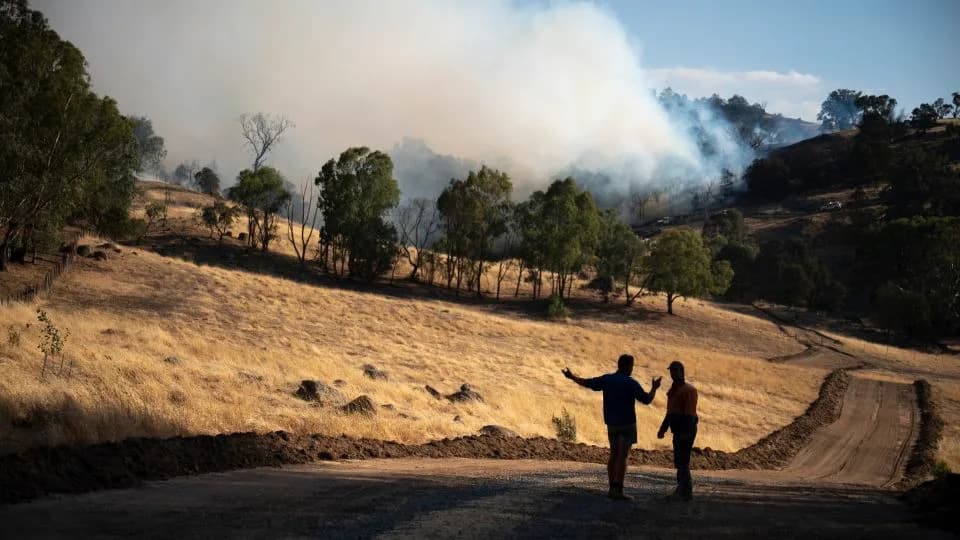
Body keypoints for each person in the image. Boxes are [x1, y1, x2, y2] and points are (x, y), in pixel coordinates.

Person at [562, 354, 661, 500]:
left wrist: (571, 376)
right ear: (628, 366)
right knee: (623, 456)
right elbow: (646, 400)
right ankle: (618, 490)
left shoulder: (608, 379)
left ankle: (611, 488)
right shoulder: (630, 383)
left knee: (614, 455)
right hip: (627, 424)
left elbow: (588, 383)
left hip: (612, 424)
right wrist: (654, 388)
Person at [657, 360, 699, 501]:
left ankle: (685, 491)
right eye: (671, 370)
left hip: (685, 429)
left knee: (683, 461)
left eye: (675, 370)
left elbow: (690, 415)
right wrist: (663, 429)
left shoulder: (688, 390)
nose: (673, 373)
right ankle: (682, 489)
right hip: (678, 430)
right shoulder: (674, 390)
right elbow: (670, 412)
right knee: (679, 461)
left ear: (682, 371)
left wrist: (685, 434)